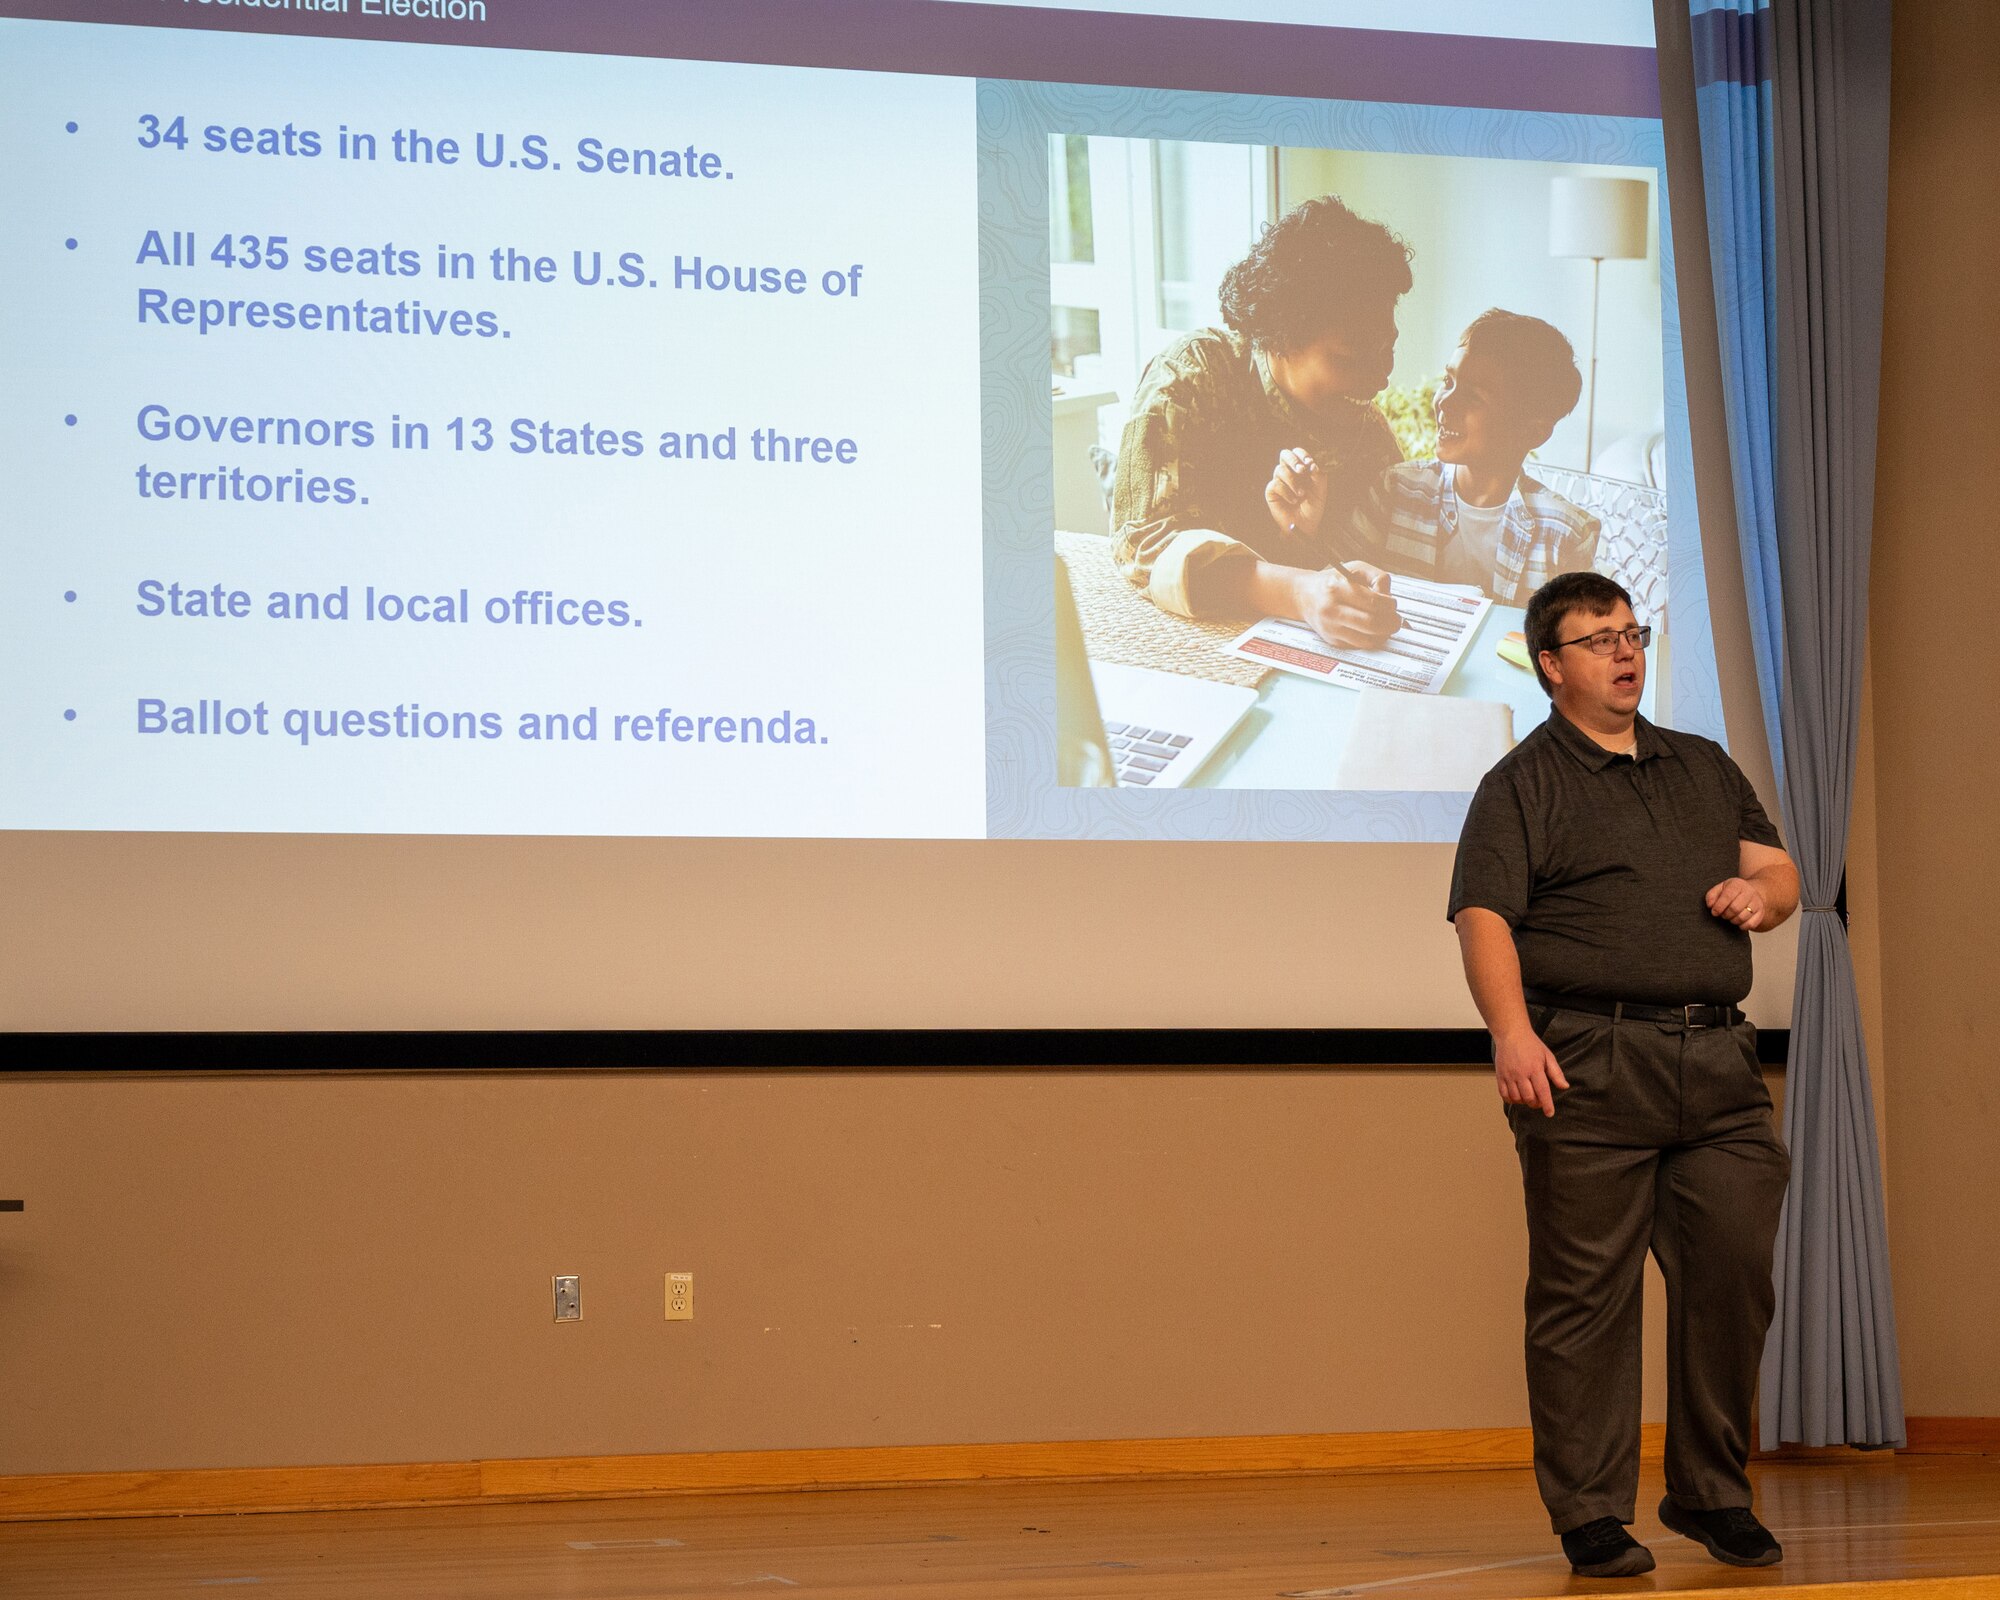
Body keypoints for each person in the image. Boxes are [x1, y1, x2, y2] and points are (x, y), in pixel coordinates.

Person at [1447, 571, 1797, 1578]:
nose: (1622, 651)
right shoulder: (1519, 784)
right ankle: (1590, 1512)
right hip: (1587, 1062)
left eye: (1629, 632)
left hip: (1715, 1061)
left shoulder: (1698, 763)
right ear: (1549, 666)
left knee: (1732, 1275)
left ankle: (1708, 1492)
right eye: (1595, 639)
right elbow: (1483, 919)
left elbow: (1776, 872)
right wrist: (1510, 1034)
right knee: (1582, 1297)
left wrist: (1758, 895)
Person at [1109, 194, 1409, 650]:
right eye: (1351, 358)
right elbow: (1140, 543)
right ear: (1281, 338)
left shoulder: (1368, 433)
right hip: (1178, 647)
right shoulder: (1190, 377)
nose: (1381, 379)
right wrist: (1297, 592)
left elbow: (1374, 563)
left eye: (1388, 349)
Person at [1333, 309, 1599, 600]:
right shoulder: (1396, 489)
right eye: (1448, 382)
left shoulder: (1566, 534)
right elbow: (1334, 581)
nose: (1445, 403)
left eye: (1474, 396)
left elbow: (1570, 636)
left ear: (1533, 433)